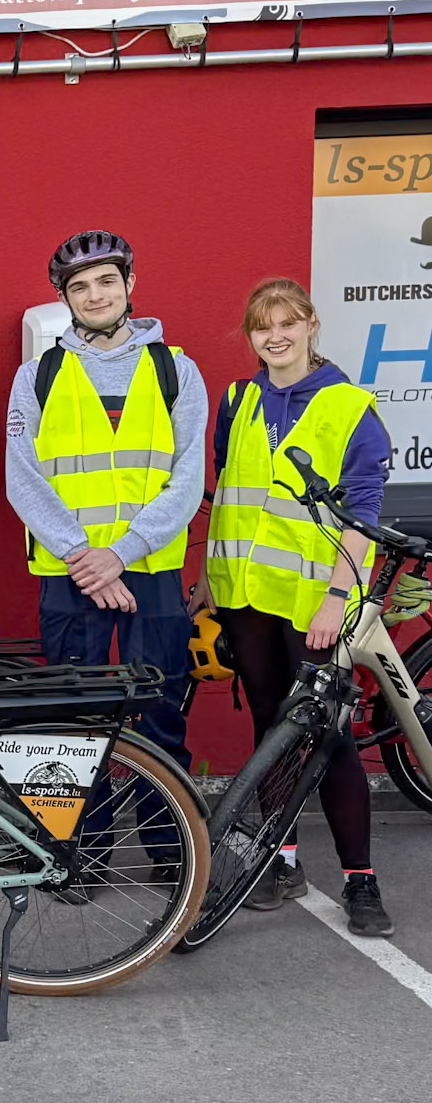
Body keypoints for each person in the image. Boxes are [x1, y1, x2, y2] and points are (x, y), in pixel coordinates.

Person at [204, 277, 394, 936]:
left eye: (288, 323)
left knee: (328, 733)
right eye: (263, 326)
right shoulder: (238, 400)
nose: (276, 336)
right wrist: (206, 584)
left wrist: (337, 598)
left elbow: (362, 516)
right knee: (269, 727)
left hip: (316, 598)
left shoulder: (349, 406)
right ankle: (280, 863)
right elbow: (227, 492)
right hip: (244, 594)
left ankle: (360, 879)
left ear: (311, 325)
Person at [6, 231, 206, 777]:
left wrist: (119, 554)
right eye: (80, 287)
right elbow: (22, 478)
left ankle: (167, 834)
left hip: (150, 572)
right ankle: (84, 837)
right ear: (63, 298)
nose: (95, 295)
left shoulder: (176, 371)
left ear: (130, 284)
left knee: (159, 717)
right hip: (71, 575)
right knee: (75, 726)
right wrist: (86, 558)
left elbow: (188, 480)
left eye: (106, 281)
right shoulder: (37, 376)